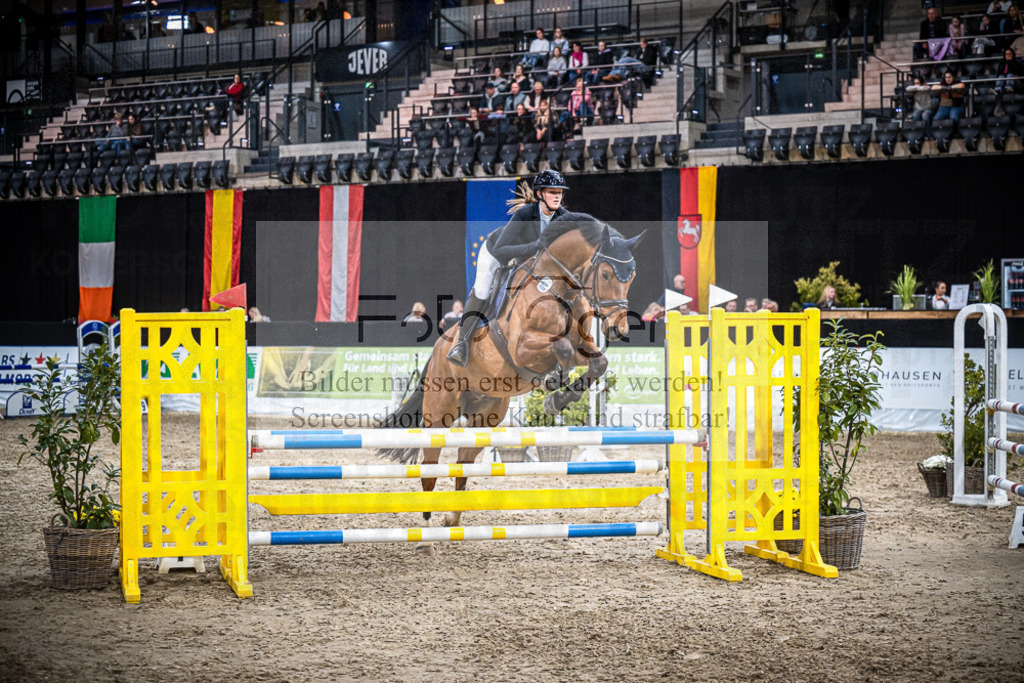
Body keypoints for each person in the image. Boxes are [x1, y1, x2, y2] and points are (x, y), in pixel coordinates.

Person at [447, 171, 570, 366]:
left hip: (527, 260)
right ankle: (461, 343)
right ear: (539, 195)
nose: (557, 196)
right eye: (551, 192)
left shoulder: (563, 217)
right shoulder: (525, 214)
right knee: (482, 289)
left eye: (560, 192)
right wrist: (534, 246)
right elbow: (501, 249)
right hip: (496, 252)